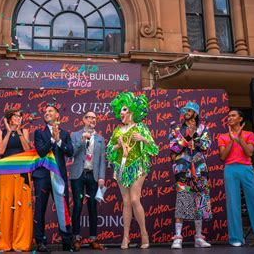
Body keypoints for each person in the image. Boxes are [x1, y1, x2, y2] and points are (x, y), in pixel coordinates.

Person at [106, 92, 158, 249]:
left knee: (135, 199)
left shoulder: (141, 128)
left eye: (124, 109)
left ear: (132, 111)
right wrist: (117, 146)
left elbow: (154, 149)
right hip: (121, 168)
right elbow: (108, 152)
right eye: (120, 110)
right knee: (126, 202)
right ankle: (126, 237)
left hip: (137, 166)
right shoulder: (117, 131)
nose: (121, 113)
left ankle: (144, 235)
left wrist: (142, 139)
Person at [218, 109, 254, 246]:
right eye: (228, 116)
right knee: (233, 203)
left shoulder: (249, 134)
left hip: (246, 168)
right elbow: (223, 157)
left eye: (233, 116)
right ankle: (236, 238)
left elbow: (249, 152)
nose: (229, 118)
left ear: (240, 119)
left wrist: (239, 139)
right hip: (230, 169)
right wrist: (231, 140)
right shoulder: (222, 136)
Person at [169, 102, 212, 249]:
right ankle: (178, 238)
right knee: (182, 200)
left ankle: (199, 238)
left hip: (200, 169)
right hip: (182, 169)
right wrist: (188, 136)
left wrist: (196, 135)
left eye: (189, 110)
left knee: (199, 202)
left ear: (196, 113)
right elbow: (174, 147)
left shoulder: (204, 128)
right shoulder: (176, 129)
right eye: (185, 110)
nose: (186, 112)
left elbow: (205, 147)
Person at [33, 105, 75, 252]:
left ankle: (66, 241)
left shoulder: (64, 134)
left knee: (63, 209)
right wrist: (52, 140)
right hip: (42, 176)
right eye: (45, 112)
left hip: (59, 176)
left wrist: (59, 141)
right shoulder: (39, 132)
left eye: (50, 111)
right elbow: (41, 152)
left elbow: (70, 152)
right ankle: (40, 242)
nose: (47, 113)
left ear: (57, 115)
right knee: (40, 209)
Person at [0, 109, 33, 252]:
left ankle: (20, 243)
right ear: (9, 118)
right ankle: (4, 243)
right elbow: (0, 151)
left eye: (20, 116)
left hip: (22, 171)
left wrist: (18, 132)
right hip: (6, 171)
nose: (18, 118)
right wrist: (8, 131)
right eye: (16, 116)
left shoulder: (25, 131)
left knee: (22, 207)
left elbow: (27, 149)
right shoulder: (0, 133)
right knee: (5, 207)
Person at [70, 111, 106, 251]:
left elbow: (102, 160)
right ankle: (76, 238)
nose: (92, 120)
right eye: (89, 117)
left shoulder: (100, 139)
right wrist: (82, 141)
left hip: (93, 176)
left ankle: (93, 239)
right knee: (78, 206)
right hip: (78, 175)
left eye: (95, 118)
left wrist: (102, 176)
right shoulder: (75, 135)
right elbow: (71, 153)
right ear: (83, 120)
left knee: (92, 207)